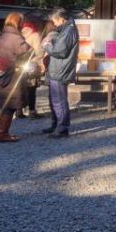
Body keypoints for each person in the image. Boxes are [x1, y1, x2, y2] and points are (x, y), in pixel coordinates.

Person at [0, 12, 34, 143]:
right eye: (22, 22)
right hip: (11, 77)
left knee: (6, 106)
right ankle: (3, 134)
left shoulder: (4, 35)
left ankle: (2, 132)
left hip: (1, 75)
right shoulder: (16, 38)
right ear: (19, 23)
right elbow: (27, 52)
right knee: (9, 106)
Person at [43, 8, 78, 138]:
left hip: (60, 70)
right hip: (59, 69)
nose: (55, 24)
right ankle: (59, 125)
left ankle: (62, 128)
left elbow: (60, 51)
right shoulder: (67, 29)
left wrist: (47, 45)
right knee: (57, 100)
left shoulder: (69, 30)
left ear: (60, 19)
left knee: (59, 101)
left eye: (55, 21)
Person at [19, 18, 46, 118]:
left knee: (20, 89)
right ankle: (32, 111)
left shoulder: (19, 35)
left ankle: (19, 111)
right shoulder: (35, 35)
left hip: (19, 66)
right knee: (31, 89)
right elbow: (40, 52)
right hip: (31, 66)